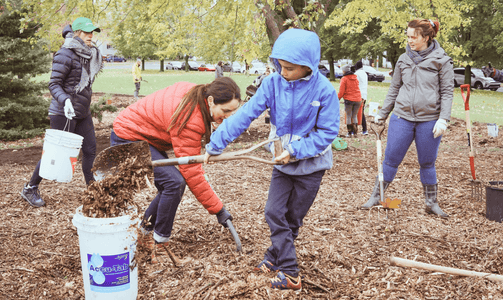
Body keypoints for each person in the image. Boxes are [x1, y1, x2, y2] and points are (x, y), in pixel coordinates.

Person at [204, 28, 340, 291]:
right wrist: (216, 144)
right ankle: (290, 272)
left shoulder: (323, 91)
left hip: (311, 166)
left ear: (307, 66)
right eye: (279, 65)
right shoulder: (272, 83)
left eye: (289, 68)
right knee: (273, 212)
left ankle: (274, 258)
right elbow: (244, 115)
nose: (282, 71)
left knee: (292, 219)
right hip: (281, 162)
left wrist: (297, 150)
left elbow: (327, 133)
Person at [112, 77, 241, 265]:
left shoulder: (197, 94)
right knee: (174, 182)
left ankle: (145, 234)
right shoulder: (190, 116)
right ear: (211, 101)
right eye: (225, 110)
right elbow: (192, 173)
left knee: (172, 181)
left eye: (233, 111)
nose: (229, 116)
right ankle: (159, 243)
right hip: (127, 139)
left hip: (142, 135)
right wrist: (218, 209)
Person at [361, 19, 453, 218]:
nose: (410, 40)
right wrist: (382, 113)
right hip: (402, 117)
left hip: (429, 120)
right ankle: (377, 197)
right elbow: (394, 88)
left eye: (414, 37)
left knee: (427, 162)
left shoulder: (442, 60)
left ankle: (431, 203)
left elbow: (447, 92)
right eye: (408, 36)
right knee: (390, 159)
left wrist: (443, 119)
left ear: (426, 37)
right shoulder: (403, 59)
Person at [20, 17, 102, 207]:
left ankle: (93, 191)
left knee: (90, 150)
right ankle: (30, 188)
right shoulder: (65, 54)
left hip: (82, 112)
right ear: (77, 33)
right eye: (87, 32)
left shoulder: (90, 54)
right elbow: (54, 84)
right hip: (63, 112)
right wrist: (65, 100)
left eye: (92, 32)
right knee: (54, 154)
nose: (91, 36)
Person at [337, 64, 362, 138]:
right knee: (354, 116)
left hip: (349, 100)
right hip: (358, 99)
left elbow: (341, 92)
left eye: (343, 70)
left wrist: (337, 99)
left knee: (348, 116)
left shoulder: (344, 79)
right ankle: (355, 133)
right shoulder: (355, 78)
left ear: (345, 71)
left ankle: (349, 132)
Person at [354, 61, 369, 135]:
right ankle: (364, 129)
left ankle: (357, 129)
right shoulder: (364, 73)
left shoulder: (357, 74)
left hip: (358, 95)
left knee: (356, 112)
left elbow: (355, 84)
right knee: (361, 112)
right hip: (364, 95)